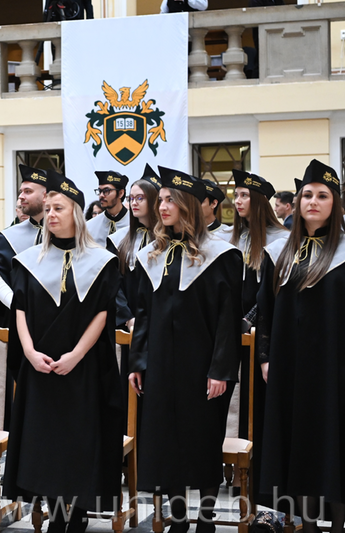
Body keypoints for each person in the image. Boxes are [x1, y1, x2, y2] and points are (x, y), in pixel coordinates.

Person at [4, 170, 124, 533]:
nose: (51, 214)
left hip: (82, 368)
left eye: (59, 208)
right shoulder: (28, 260)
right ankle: (56, 511)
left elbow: (103, 313)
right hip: (40, 367)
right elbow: (19, 308)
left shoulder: (101, 260)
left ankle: (79, 510)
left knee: (79, 439)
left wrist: (76, 356)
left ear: (76, 212)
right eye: (48, 208)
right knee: (47, 443)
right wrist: (28, 352)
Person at [129, 166, 242, 533]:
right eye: (160, 200)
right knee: (165, 444)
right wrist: (138, 361)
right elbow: (143, 314)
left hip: (203, 368)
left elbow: (228, 319)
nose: (162, 206)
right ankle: (178, 519)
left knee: (202, 442)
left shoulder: (222, 256)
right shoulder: (151, 255)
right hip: (161, 366)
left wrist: (221, 369)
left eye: (170, 200)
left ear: (188, 206)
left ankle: (206, 519)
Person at [258, 159, 345, 533]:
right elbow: (265, 308)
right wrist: (265, 357)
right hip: (290, 368)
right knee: (297, 443)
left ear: (335, 203)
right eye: (307, 194)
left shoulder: (343, 251)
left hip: (334, 368)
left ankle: (338, 525)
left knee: (333, 443)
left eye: (322, 195)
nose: (313, 201)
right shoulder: (279, 252)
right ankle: (306, 525)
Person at [107, 165, 161, 392]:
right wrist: (128, 318)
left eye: (141, 198)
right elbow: (112, 285)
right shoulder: (119, 240)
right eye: (131, 198)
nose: (134, 203)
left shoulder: (168, 241)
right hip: (129, 324)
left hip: (158, 323)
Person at [0, 165, 48, 327]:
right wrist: (17, 306)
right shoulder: (8, 237)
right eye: (21, 192)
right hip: (17, 320)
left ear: (45, 195)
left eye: (28, 191)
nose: (21, 197)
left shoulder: (67, 234)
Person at [231, 169, 288, 316]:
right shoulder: (229, 236)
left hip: (267, 315)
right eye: (236, 195)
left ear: (259, 200)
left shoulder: (281, 238)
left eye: (244, 195)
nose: (237, 201)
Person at [86, 170, 130, 245]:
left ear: (121, 193)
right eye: (100, 191)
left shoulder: (134, 223)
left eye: (106, 191)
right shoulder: (90, 226)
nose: (101, 195)